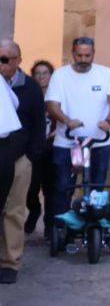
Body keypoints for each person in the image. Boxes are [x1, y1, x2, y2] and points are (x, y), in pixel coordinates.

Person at [44, 37, 110, 225]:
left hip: (98, 141)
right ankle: (61, 227)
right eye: (79, 55)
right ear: (73, 54)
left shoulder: (105, 74)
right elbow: (52, 104)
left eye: (87, 55)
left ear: (93, 54)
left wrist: (109, 121)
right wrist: (66, 121)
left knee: (96, 187)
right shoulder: (61, 75)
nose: (83, 59)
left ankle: (93, 225)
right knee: (63, 186)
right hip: (67, 142)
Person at [0, 40, 38, 284]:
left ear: (18, 61)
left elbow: (38, 125)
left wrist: (30, 156)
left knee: (13, 210)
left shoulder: (30, 88)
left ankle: (9, 262)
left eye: (5, 59)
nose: (1, 64)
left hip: (19, 158)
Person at [23, 59, 54, 234]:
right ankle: (34, 211)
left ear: (51, 76)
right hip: (34, 148)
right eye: (38, 73)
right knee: (31, 187)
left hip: (53, 149)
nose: (42, 77)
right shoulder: (30, 96)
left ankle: (50, 225)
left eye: (45, 73)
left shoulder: (57, 96)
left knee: (50, 188)